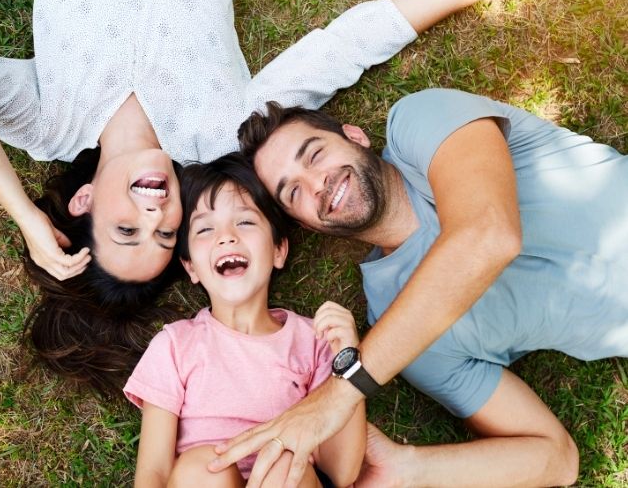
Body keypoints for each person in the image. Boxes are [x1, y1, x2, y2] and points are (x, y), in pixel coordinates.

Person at [0, 0, 521, 391]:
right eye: (165, 233)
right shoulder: (220, 132)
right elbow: (339, 50)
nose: (157, 208)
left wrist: (27, 215)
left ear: (83, 201)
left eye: (126, 227)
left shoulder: (46, 120)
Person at [209, 88, 628, 487]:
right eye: (294, 191)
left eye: (315, 154)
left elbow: (490, 234)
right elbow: (556, 459)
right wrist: (406, 469)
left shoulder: (419, 123)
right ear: (305, 225)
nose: (317, 183)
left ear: (354, 135)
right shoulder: (404, 340)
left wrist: (336, 398)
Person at [123, 153, 365, 487]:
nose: (226, 236)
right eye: (206, 228)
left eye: (245, 222)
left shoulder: (316, 340)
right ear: (191, 266)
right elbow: (154, 473)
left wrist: (348, 363)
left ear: (279, 249)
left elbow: (342, 469)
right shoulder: (175, 345)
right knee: (203, 467)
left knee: (281, 463)